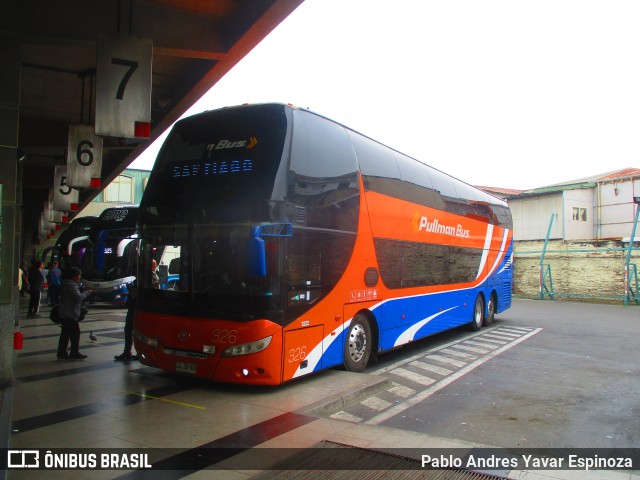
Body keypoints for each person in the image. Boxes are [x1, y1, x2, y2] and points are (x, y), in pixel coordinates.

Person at [57, 267, 92, 360]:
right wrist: (87, 293)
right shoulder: (70, 285)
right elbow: (78, 297)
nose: (79, 278)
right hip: (69, 314)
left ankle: (62, 353)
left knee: (65, 334)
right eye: (79, 276)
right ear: (73, 276)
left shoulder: (66, 284)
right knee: (75, 333)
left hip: (66, 312)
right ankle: (74, 352)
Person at [114, 280, 139, 361]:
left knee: (136, 331)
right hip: (132, 308)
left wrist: (131, 291)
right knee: (128, 330)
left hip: (137, 309)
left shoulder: (144, 279)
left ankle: (138, 353)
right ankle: (127, 352)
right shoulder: (136, 280)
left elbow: (138, 293)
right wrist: (129, 293)